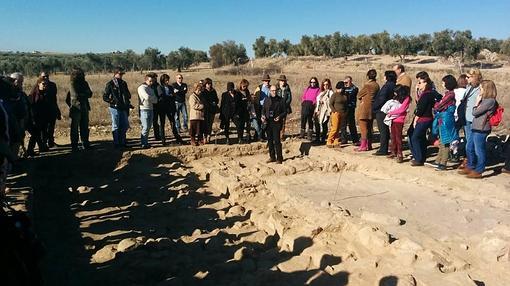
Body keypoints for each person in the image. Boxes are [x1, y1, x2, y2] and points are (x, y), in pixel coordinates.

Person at [459, 80, 497, 178]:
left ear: (487, 89)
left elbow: (475, 112)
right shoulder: (484, 100)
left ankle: (479, 170)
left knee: (479, 150)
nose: (479, 90)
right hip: (475, 127)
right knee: (469, 147)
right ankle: (471, 165)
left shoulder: (490, 101)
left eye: (481, 88)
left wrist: (476, 103)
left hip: (482, 128)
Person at [409, 72, 440, 166]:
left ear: (426, 83)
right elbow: (419, 102)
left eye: (420, 82)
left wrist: (415, 119)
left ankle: (418, 158)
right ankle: (421, 156)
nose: (419, 84)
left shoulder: (427, 94)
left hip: (423, 118)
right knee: (420, 137)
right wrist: (416, 91)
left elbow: (420, 108)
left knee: (415, 137)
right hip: (427, 117)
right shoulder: (429, 93)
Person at [431, 75, 459, 171]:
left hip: (446, 120)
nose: (442, 84)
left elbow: (438, 106)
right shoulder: (448, 93)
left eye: (443, 82)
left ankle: (443, 163)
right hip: (443, 119)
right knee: (442, 139)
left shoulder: (450, 95)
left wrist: (436, 104)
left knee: (446, 141)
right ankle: (439, 160)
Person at [456, 69, 482, 170]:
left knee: (471, 143)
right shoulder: (469, 87)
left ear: (475, 77)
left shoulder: (480, 88)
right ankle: (470, 162)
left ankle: (471, 164)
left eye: (469, 77)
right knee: (468, 141)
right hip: (466, 117)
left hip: (474, 118)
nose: (467, 79)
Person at [103, 67, 131, 148]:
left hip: (123, 107)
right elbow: (105, 97)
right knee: (116, 125)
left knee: (124, 125)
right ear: (115, 73)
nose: (121, 75)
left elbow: (128, 94)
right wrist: (113, 101)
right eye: (120, 73)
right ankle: (117, 143)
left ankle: (123, 142)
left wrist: (127, 100)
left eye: (122, 74)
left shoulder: (123, 83)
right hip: (115, 108)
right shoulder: (110, 84)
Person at [66, 68, 93, 151]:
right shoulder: (72, 83)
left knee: (84, 126)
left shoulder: (85, 83)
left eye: (82, 74)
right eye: (80, 74)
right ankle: (74, 145)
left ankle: (85, 143)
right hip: (76, 108)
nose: (82, 75)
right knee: (74, 127)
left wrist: (83, 94)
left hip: (84, 107)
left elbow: (90, 94)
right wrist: (84, 94)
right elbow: (75, 95)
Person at [372, 70, 397, 156]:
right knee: (386, 130)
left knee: (383, 130)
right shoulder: (394, 85)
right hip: (390, 110)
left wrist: (374, 107)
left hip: (382, 110)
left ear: (387, 77)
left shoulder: (386, 86)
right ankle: (385, 147)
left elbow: (381, 99)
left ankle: (383, 149)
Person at [355, 69, 380, 151]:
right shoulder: (376, 85)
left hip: (364, 108)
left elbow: (359, 95)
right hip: (372, 108)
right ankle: (369, 145)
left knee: (363, 128)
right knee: (369, 127)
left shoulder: (367, 85)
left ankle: (363, 145)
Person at [386, 85, 411, 163]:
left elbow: (402, 109)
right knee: (393, 136)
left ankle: (400, 154)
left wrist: (391, 113)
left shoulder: (407, 98)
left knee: (398, 137)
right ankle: (394, 151)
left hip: (399, 120)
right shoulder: (397, 98)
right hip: (393, 118)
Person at [262, 85, 286, 164]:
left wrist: (280, 117)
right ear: (269, 91)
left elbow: (285, 112)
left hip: (276, 123)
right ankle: (272, 157)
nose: (274, 92)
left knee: (277, 141)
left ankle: (279, 158)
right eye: (272, 90)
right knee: (270, 141)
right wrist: (263, 116)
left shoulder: (281, 100)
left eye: (275, 90)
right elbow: (263, 110)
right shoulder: (266, 100)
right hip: (268, 122)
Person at [157, 74, 183, 145]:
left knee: (173, 123)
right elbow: (161, 96)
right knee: (162, 124)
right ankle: (163, 140)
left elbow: (174, 96)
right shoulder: (159, 87)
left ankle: (177, 137)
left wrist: (170, 96)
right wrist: (170, 96)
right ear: (162, 80)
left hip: (170, 108)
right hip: (162, 108)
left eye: (168, 79)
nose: (167, 81)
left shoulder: (170, 87)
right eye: (166, 80)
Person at [6, 73, 28, 158]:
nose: (21, 84)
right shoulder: (11, 95)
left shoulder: (19, 94)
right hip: (12, 124)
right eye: (20, 82)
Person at [26, 78, 49, 156]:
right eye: (43, 84)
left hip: (42, 117)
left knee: (39, 133)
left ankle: (41, 146)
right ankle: (30, 150)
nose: (45, 86)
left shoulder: (44, 93)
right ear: (38, 84)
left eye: (46, 84)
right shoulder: (33, 95)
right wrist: (32, 119)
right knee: (35, 134)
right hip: (34, 118)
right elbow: (30, 107)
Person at [40, 72, 61, 148]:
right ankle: (43, 143)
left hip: (52, 108)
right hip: (42, 110)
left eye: (47, 76)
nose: (45, 78)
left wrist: (57, 110)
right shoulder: (38, 86)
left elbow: (54, 98)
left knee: (51, 127)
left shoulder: (53, 85)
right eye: (43, 76)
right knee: (44, 128)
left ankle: (51, 142)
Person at [137, 74, 158, 149]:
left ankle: (146, 142)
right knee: (145, 127)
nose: (151, 82)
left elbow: (155, 100)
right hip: (144, 109)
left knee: (149, 127)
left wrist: (151, 98)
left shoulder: (151, 89)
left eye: (152, 81)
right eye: (150, 81)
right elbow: (147, 97)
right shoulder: (141, 88)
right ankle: (143, 143)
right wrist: (151, 98)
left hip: (151, 108)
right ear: (146, 80)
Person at [340, 76, 359, 145]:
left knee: (351, 124)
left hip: (351, 107)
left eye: (347, 82)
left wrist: (345, 94)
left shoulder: (355, 88)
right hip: (344, 108)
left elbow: (351, 96)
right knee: (343, 124)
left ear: (351, 81)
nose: (345, 84)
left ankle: (355, 140)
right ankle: (343, 139)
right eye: (344, 82)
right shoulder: (343, 88)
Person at [327, 81, 347, 148]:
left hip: (343, 113)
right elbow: (330, 104)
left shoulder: (344, 95)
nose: (341, 89)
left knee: (338, 129)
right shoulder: (334, 95)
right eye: (340, 88)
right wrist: (334, 111)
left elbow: (345, 103)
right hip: (335, 113)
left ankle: (336, 141)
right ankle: (329, 140)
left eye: (342, 88)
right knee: (334, 128)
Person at [314, 79, 333, 144]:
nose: (325, 86)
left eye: (327, 84)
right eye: (324, 84)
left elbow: (331, 102)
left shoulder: (330, 92)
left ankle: (323, 139)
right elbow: (317, 101)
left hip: (325, 111)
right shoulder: (321, 92)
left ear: (329, 85)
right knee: (317, 124)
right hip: (318, 110)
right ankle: (317, 138)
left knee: (324, 124)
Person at [253, 74, 271, 140]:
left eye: (268, 81)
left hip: (267, 107)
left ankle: (262, 136)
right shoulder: (259, 87)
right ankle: (257, 136)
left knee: (265, 121)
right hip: (259, 106)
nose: (267, 82)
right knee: (259, 121)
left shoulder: (270, 88)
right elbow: (254, 96)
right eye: (266, 81)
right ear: (263, 81)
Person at [201, 78, 219, 143]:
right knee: (205, 124)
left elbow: (217, 99)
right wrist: (211, 103)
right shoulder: (203, 91)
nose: (209, 85)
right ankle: (204, 137)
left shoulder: (213, 91)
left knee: (210, 124)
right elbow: (204, 101)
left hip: (212, 110)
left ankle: (209, 136)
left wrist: (215, 102)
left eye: (210, 84)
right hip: (205, 110)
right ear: (205, 84)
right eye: (208, 84)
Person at [276, 75, 292, 140]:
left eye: (284, 81)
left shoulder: (287, 88)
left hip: (285, 107)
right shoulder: (276, 88)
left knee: (283, 121)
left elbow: (289, 98)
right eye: (281, 81)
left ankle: (282, 135)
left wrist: (285, 104)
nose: (283, 82)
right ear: (279, 81)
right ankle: (276, 135)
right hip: (277, 107)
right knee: (277, 121)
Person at [235, 79, 250, 143]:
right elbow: (236, 102)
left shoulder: (247, 91)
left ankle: (246, 137)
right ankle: (240, 138)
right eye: (244, 86)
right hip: (239, 110)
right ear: (240, 85)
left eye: (246, 86)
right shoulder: (237, 92)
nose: (245, 88)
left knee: (244, 124)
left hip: (245, 110)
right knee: (239, 125)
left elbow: (249, 98)